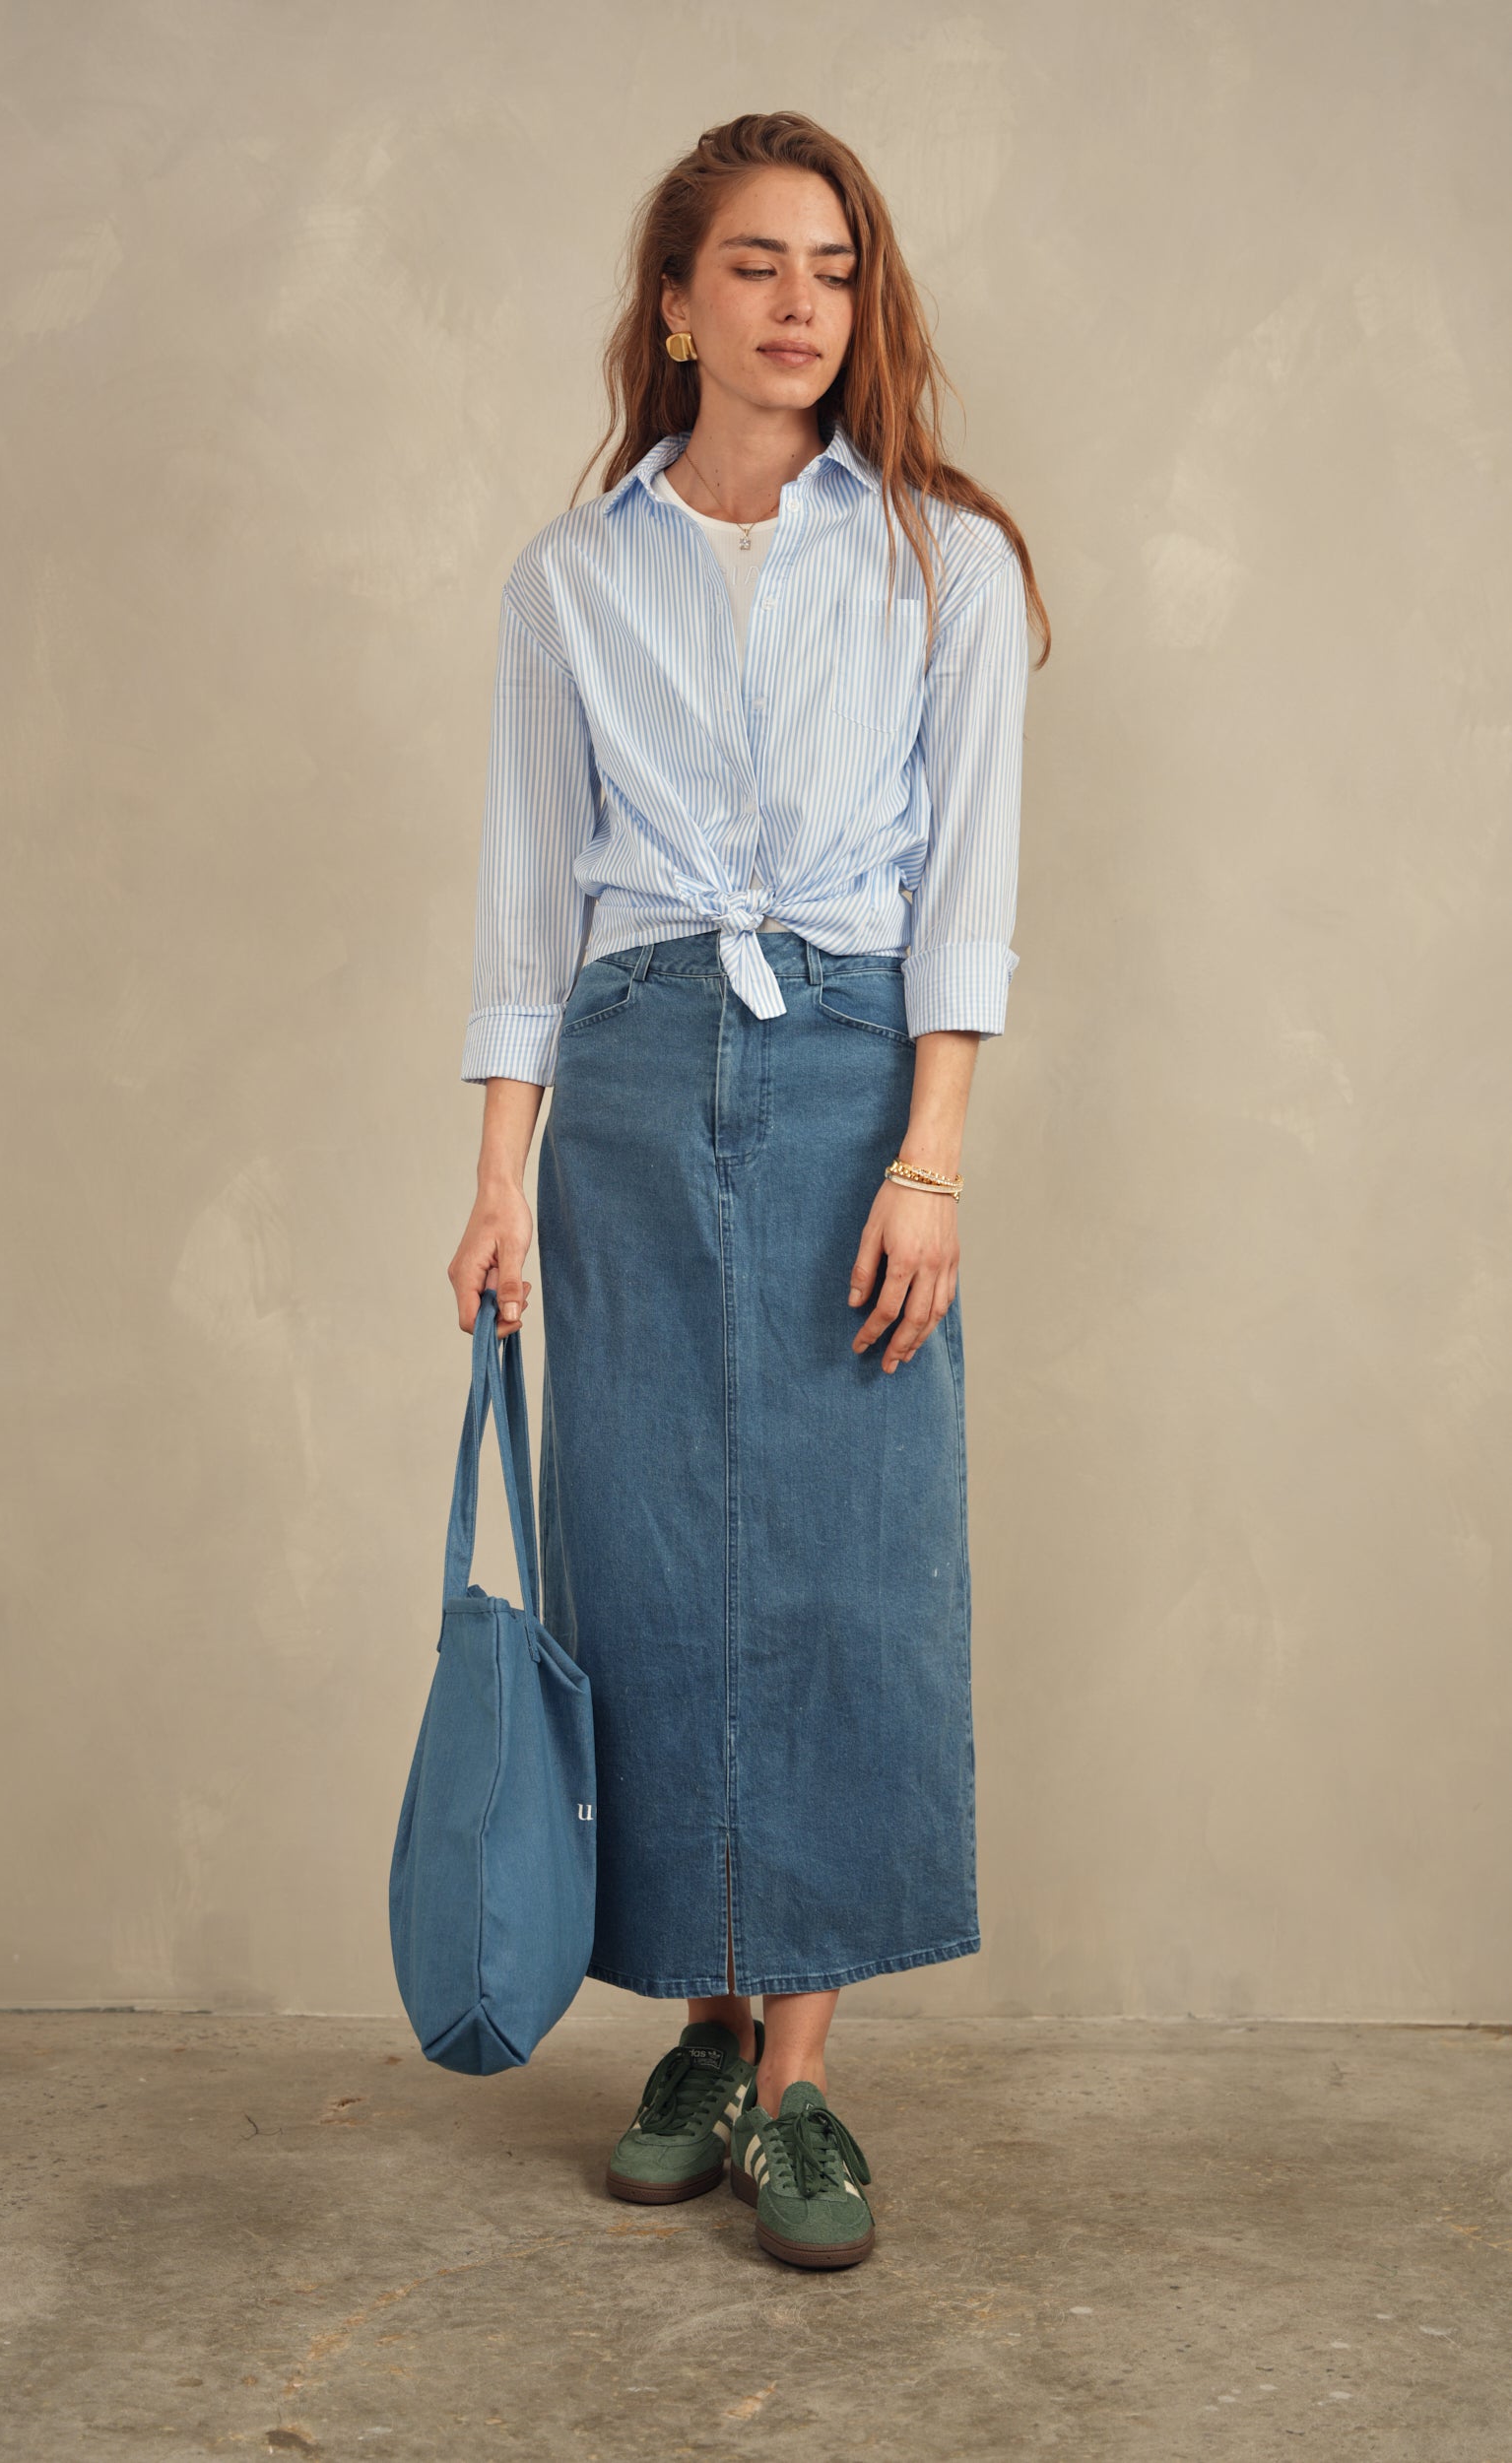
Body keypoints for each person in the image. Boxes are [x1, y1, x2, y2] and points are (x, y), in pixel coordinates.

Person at [448, 109, 1048, 2271]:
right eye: (760, 265)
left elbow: (965, 897)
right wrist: (498, 1178)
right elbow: (528, 904)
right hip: (623, 1081)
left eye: (837, 269)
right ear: (678, 301)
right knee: (646, 1555)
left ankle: (796, 2073)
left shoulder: (940, 561)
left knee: (842, 1569)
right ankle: (696, 2031)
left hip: (848, 1077)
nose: (805, 305)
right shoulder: (569, 577)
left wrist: (930, 1159)